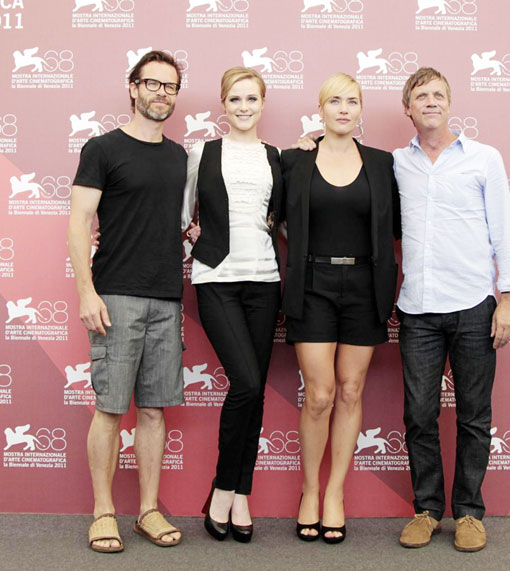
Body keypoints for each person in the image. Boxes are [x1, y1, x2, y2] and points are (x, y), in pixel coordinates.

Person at [393, 67, 510, 552]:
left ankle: (469, 512)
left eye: (438, 94)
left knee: (474, 416)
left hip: (474, 306)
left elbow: (504, 229)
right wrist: (313, 140)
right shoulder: (395, 164)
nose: (430, 102)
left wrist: (509, 297)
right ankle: (427, 510)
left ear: (449, 103)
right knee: (419, 415)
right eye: (421, 96)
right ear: (407, 107)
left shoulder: (483, 158)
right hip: (417, 310)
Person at [68, 50, 186, 553]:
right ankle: (102, 512)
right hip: (114, 294)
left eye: (170, 86)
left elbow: (170, 220)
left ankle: (148, 511)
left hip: (167, 297)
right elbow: (78, 223)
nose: (162, 93)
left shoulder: (180, 156)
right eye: (153, 84)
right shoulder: (102, 148)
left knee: (155, 410)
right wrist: (86, 292)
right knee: (111, 409)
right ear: (133, 88)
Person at [281, 73, 400, 544]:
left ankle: (335, 494)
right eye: (335, 100)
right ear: (320, 107)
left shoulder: (382, 163)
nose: (344, 109)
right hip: (312, 282)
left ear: (361, 110)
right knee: (321, 394)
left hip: (365, 285)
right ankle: (309, 491)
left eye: (353, 101)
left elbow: (402, 224)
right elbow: (264, 214)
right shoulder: (294, 160)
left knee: (351, 390)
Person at [182, 67, 283, 543]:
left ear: (263, 104)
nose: (244, 107)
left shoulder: (276, 157)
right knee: (245, 382)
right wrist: (193, 246)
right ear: (224, 105)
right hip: (217, 279)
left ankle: (239, 492)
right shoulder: (201, 153)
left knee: (255, 389)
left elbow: (281, 218)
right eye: (235, 99)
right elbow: (181, 216)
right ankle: (224, 486)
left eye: (252, 99)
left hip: (265, 281)